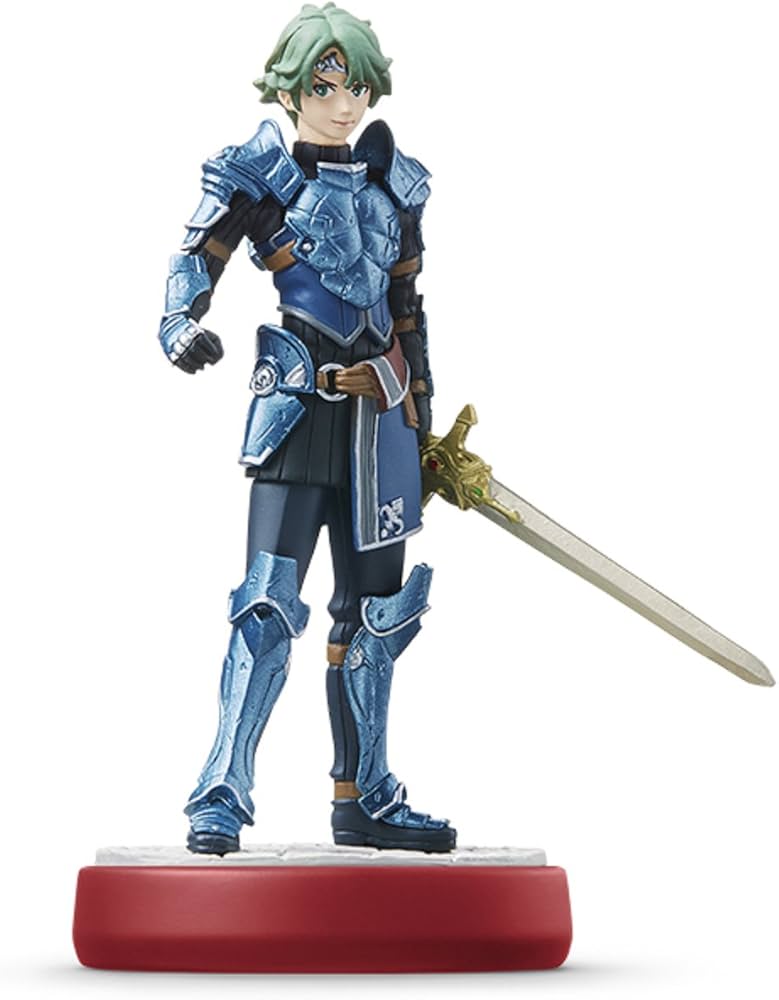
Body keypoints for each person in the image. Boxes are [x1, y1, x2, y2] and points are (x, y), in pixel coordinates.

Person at [159, 2, 455, 855]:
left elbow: (405, 307)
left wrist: (421, 420)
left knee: (376, 618)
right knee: (264, 605)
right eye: (324, 86)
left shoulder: (397, 186)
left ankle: (364, 798)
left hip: (380, 428)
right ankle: (222, 788)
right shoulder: (261, 178)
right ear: (289, 90)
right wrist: (178, 325)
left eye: (355, 86)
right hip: (296, 411)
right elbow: (196, 257)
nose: (343, 103)